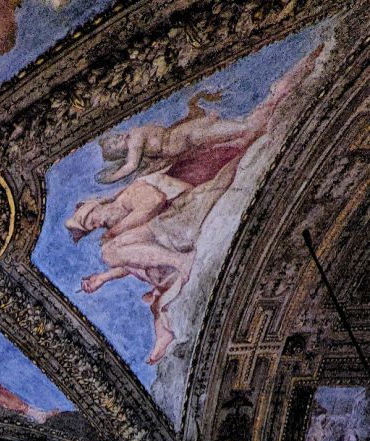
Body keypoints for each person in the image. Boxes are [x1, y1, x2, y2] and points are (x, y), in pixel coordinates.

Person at [65, 47, 323, 364]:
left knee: (253, 126)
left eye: (91, 217)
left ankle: (305, 67)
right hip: (175, 223)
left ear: (94, 202)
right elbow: (132, 259)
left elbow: (154, 202)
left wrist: (118, 229)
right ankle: (166, 326)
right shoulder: (117, 231)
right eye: (91, 226)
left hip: (184, 207)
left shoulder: (129, 193)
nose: (97, 224)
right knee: (150, 293)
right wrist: (102, 279)